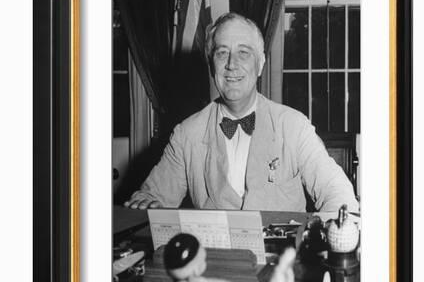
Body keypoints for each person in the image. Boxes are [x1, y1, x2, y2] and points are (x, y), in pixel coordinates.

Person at [125, 12, 359, 212]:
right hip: (215, 262)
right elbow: (150, 198)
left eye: (244, 52)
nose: (231, 64)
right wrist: (146, 204)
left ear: (261, 64)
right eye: (222, 53)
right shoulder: (186, 134)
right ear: (211, 64)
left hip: (281, 263)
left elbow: (338, 195)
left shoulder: (294, 126)